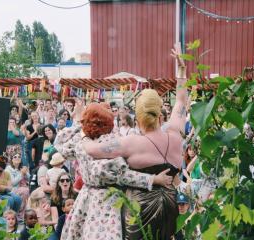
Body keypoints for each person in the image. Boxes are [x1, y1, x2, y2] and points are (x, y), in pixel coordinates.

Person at [83, 44, 188, 239]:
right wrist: (181, 69)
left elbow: (92, 150)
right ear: (160, 114)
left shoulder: (130, 143)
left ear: (137, 119)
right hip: (171, 207)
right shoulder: (176, 134)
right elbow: (181, 100)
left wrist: (83, 134)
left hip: (139, 213)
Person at [58, 103, 172, 240]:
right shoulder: (106, 142)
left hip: (86, 196)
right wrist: (153, 179)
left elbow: (60, 142)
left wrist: (79, 123)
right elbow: (123, 176)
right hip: (106, 200)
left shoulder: (81, 141)